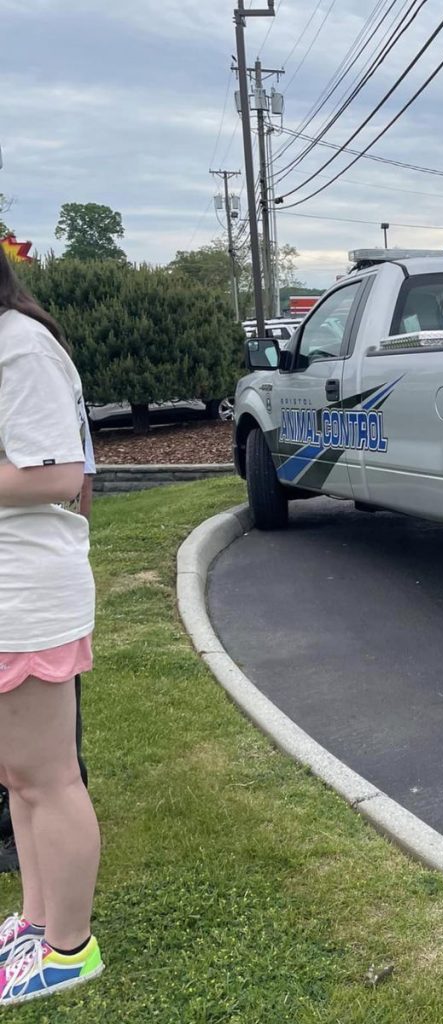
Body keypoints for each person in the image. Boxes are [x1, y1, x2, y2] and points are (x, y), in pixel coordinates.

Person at [0, 252, 103, 1004]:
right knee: (20, 779)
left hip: (25, 595)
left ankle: (70, 950)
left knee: (50, 779)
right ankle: (37, 921)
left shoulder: (19, 344)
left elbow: (59, 475)